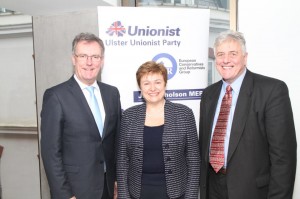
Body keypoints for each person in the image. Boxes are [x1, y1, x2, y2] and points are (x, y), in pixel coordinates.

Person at [199, 30, 297, 199]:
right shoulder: (208, 95)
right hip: (212, 187)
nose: (226, 60)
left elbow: (283, 158)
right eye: (221, 54)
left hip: (252, 191)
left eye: (233, 53)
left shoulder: (272, 90)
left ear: (245, 57)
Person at [40, 32, 121, 199]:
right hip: (75, 190)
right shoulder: (56, 96)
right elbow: (50, 153)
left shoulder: (112, 93)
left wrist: (117, 180)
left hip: (108, 188)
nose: (89, 62)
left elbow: (116, 142)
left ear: (102, 60)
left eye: (95, 56)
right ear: (73, 59)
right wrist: (65, 195)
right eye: (83, 56)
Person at [117, 61, 200, 199]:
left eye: (157, 82)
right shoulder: (128, 116)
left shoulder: (184, 114)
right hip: (137, 193)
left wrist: (191, 196)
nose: (152, 88)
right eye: (146, 83)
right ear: (140, 87)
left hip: (176, 194)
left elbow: (193, 160)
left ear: (165, 84)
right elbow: (122, 161)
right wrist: (124, 196)